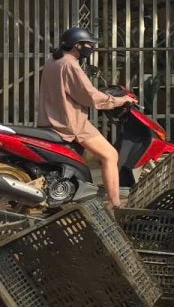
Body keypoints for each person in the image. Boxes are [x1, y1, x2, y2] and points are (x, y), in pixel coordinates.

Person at [37, 27, 135, 207]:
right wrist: (119, 100)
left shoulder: (53, 60)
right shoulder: (70, 64)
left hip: (50, 119)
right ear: (77, 46)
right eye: (89, 44)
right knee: (110, 155)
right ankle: (114, 203)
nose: (91, 47)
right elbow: (90, 96)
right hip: (71, 123)